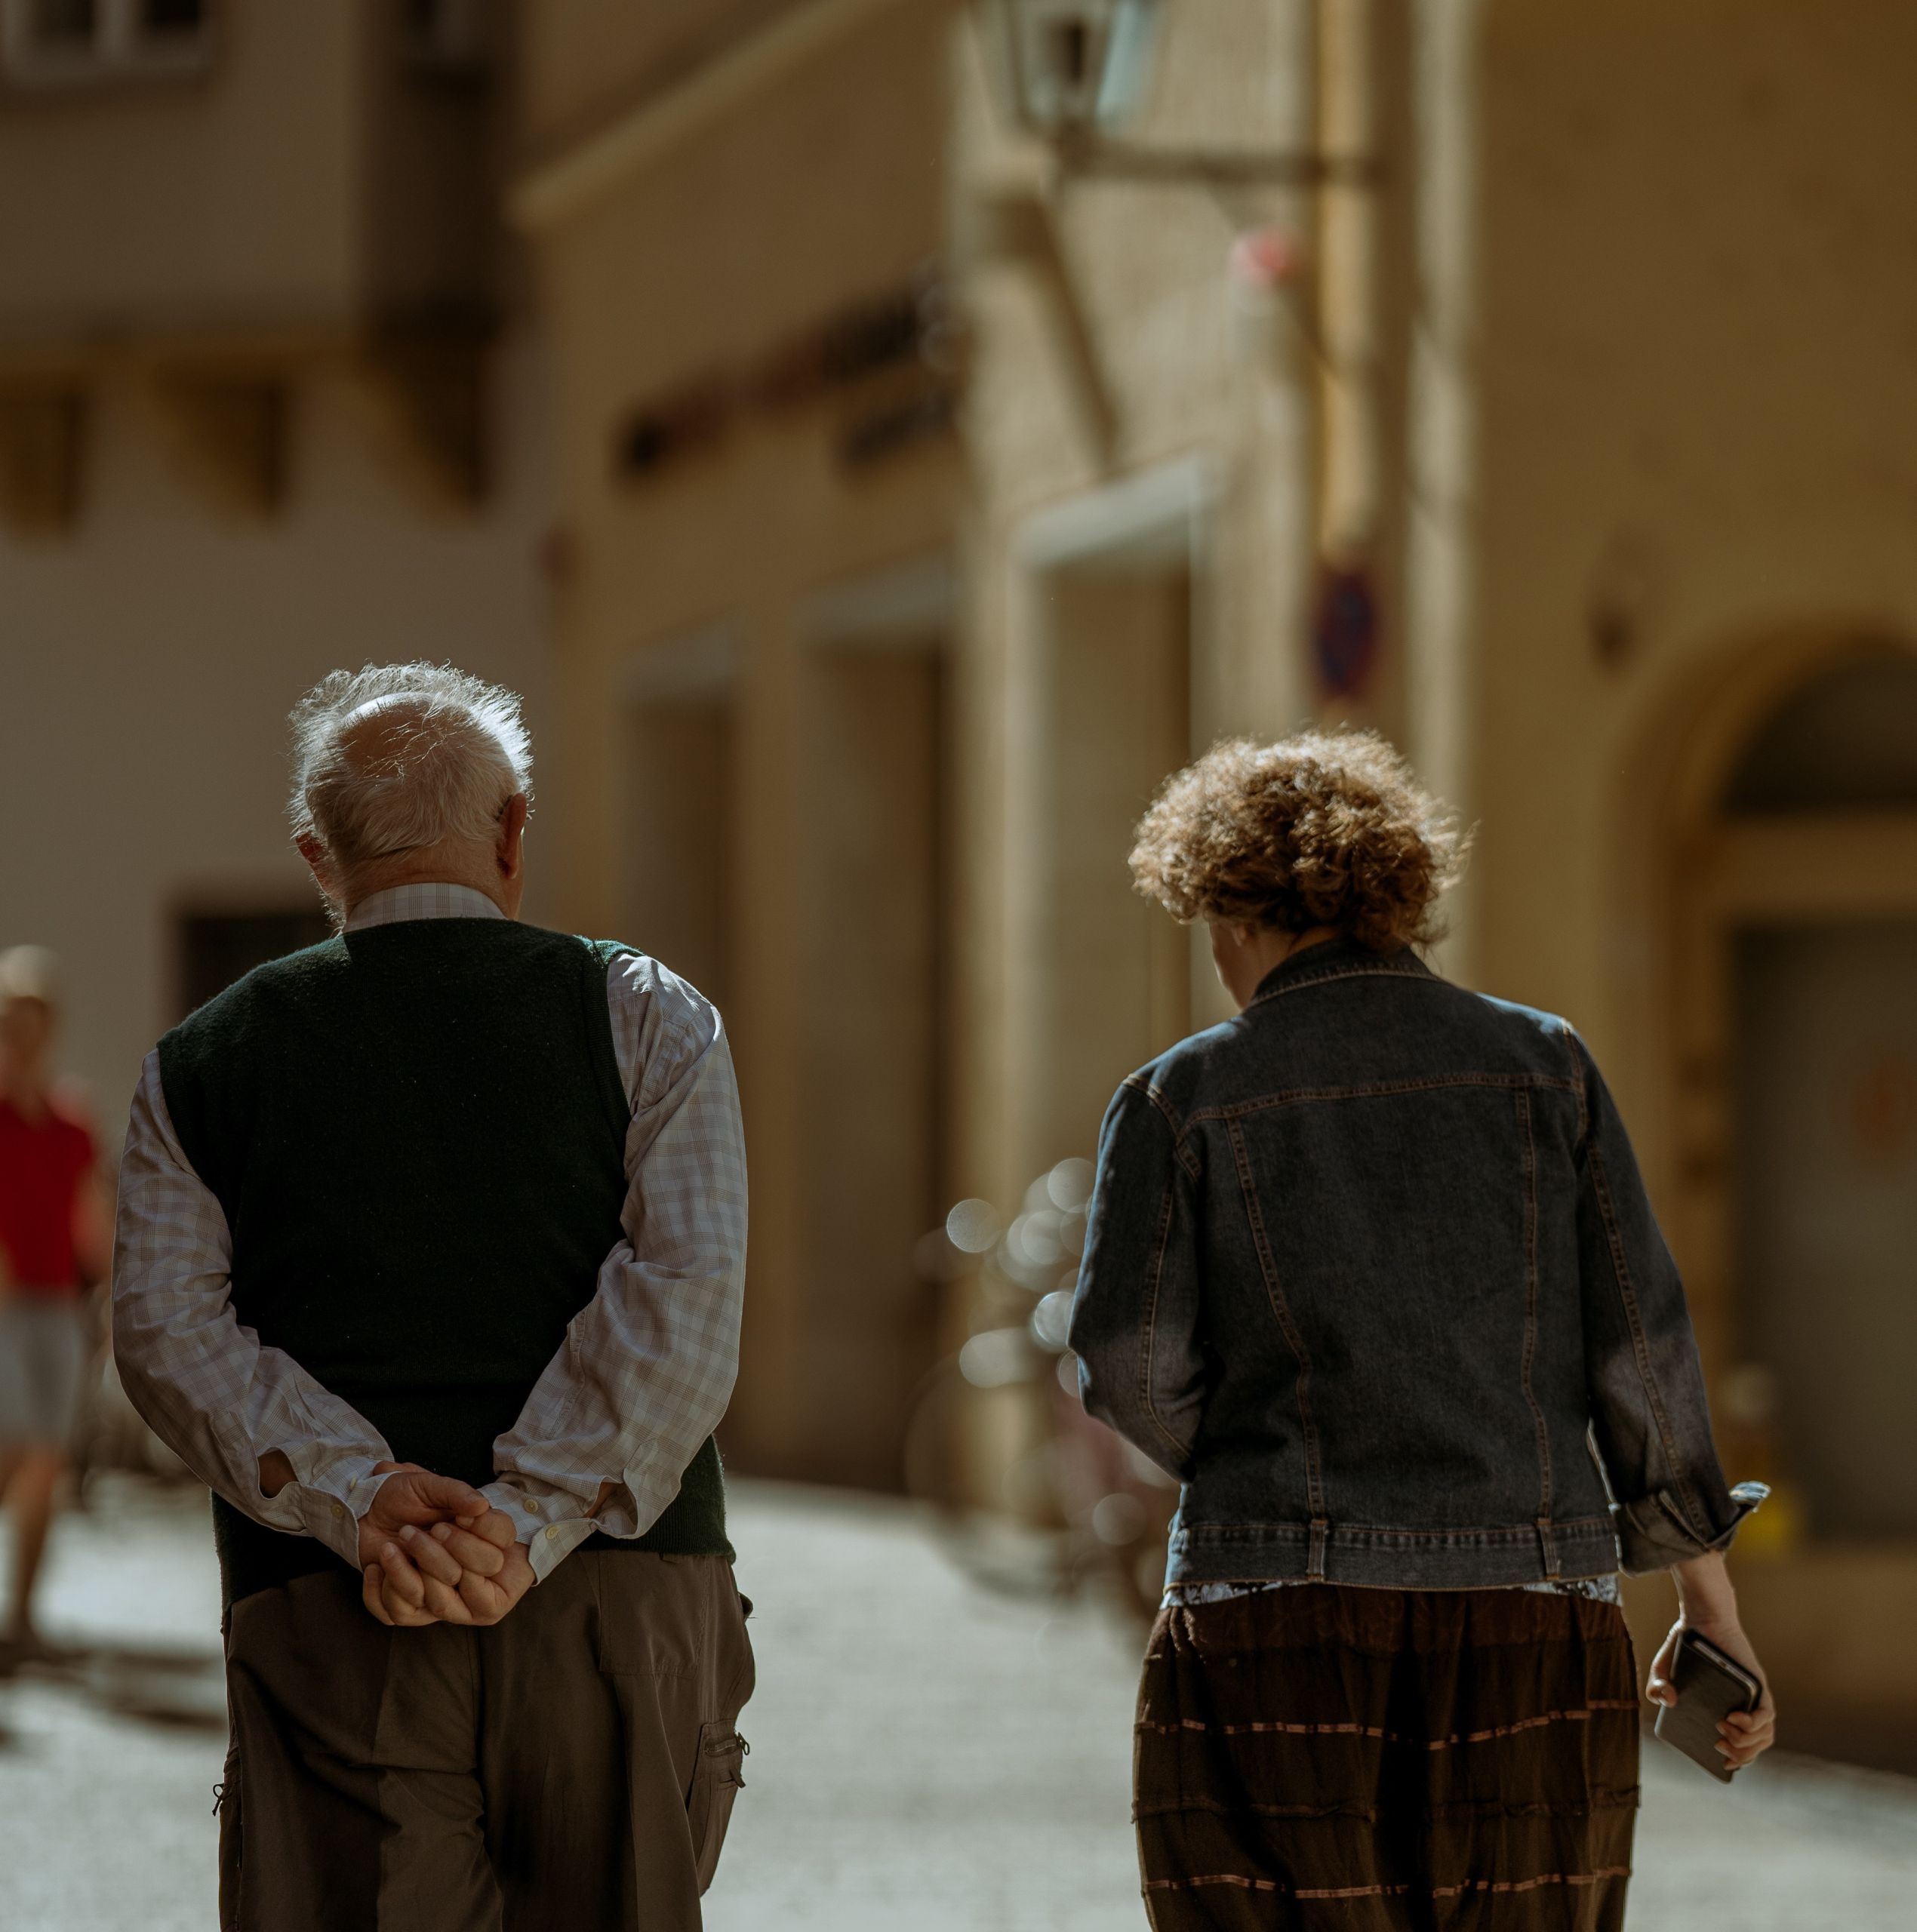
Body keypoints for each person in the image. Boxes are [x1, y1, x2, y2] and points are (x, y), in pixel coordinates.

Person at [1069, 732, 1775, 1931]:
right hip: (1533, 1618)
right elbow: (1639, 1357)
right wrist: (1712, 1613)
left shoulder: (1179, 1097)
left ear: (1236, 907)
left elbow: (1128, 1367)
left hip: (1271, 1617)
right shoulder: (1547, 1067)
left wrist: (1258, 1465)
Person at [112, 663, 752, 1932]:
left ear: (317, 857)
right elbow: (687, 1292)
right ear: (516, 830)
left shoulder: (198, 1064)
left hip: (329, 1614)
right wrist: (526, 1521)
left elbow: (166, 1334)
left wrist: (369, 1507)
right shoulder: (646, 1012)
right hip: (618, 1602)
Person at [0, 945, 109, 1663]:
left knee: (48, 1458)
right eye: (13, 1017)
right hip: (3, 1311)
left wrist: (104, 1301)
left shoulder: (72, 1122)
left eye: (36, 1017)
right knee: (22, 1448)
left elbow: (90, 1221)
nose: (25, 1030)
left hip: (58, 1309)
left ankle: (24, 1617)